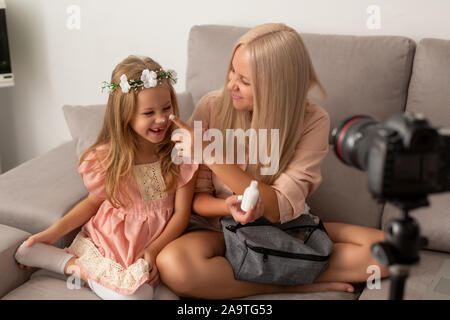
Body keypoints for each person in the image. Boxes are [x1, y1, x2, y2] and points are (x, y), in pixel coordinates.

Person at [156, 23, 389, 299]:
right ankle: (297, 280)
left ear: (275, 87)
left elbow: (278, 209)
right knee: (174, 264)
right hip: (220, 230)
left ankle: (288, 268)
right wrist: (229, 208)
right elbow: (193, 199)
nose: (231, 84)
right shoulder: (211, 106)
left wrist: (209, 153)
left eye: (244, 80)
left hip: (282, 228)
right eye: (232, 71)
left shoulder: (313, 120)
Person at [14, 55, 198, 300]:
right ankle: (72, 266)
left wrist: (154, 249)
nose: (161, 118)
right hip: (111, 245)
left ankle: (67, 264)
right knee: (138, 297)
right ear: (126, 116)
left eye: (166, 108)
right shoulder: (109, 158)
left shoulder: (181, 152)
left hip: (153, 248)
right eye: (148, 112)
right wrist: (52, 233)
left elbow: (181, 214)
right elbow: (92, 203)